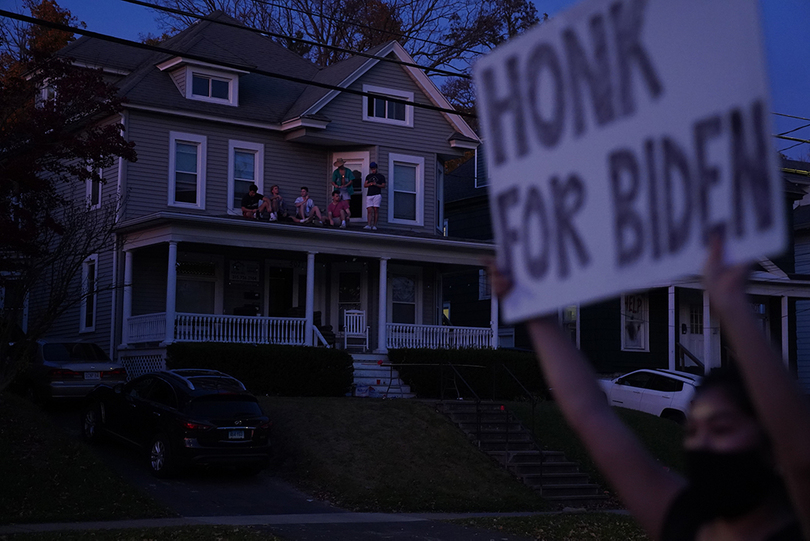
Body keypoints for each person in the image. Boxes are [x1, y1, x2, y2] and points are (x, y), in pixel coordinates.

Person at [489, 237, 810, 541]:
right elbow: (587, 411)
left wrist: (731, 304)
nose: (703, 444)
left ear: (769, 437)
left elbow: (800, 452)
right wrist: (531, 308)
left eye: (722, 428)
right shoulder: (683, 524)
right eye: (693, 431)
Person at [364, 161, 385, 230]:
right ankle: (369, 224)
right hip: (369, 194)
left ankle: (374, 225)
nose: (373, 170)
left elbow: (383, 185)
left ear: (376, 168)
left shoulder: (381, 176)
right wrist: (371, 184)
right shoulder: (368, 176)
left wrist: (376, 185)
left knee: (376, 209)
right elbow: (365, 185)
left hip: (377, 194)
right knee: (369, 210)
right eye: (372, 169)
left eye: (374, 169)